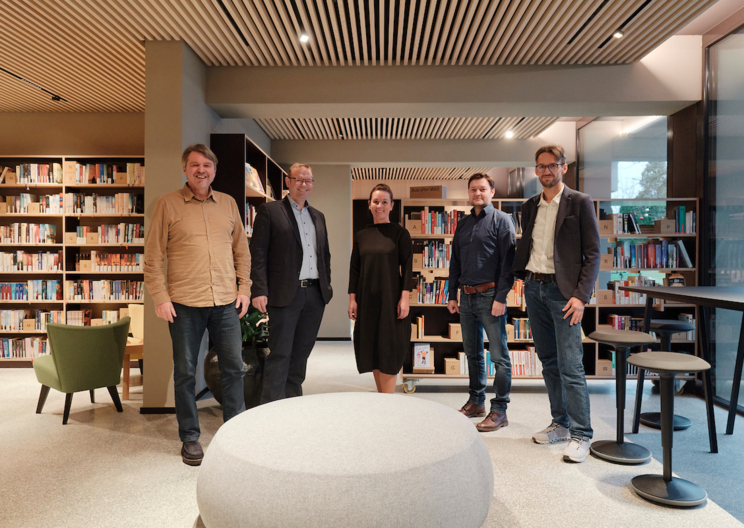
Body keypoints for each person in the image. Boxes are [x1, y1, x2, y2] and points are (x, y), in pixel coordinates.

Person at [144, 144, 251, 466]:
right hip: (184, 304)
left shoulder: (229, 204)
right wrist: (160, 297)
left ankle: (236, 431)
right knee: (185, 374)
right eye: (194, 165)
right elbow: (152, 257)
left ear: (215, 171)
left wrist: (244, 289)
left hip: (225, 302)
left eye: (207, 165)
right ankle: (190, 437)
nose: (201, 170)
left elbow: (242, 252)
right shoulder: (167, 205)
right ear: (185, 169)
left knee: (233, 368)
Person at [513, 144, 600, 463]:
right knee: (548, 360)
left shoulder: (580, 202)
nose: (546, 171)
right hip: (534, 288)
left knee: (570, 364)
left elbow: (593, 254)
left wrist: (581, 296)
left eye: (552, 166)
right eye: (541, 166)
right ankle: (560, 424)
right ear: (535, 170)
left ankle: (582, 433)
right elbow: (528, 245)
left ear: (564, 167)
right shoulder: (530, 205)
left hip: (565, 295)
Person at [250, 163, 332, 404]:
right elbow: (258, 254)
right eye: (299, 179)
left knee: (301, 354)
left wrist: (326, 287)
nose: (303, 184)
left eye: (308, 181)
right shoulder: (270, 211)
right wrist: (259, 289)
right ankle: (271, 408)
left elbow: (324, 255)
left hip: (315, 295)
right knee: (281, 353)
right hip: (285, 294)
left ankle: (293, 403)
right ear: (288, 181)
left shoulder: (319, 216)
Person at [448, 173, 516, 432]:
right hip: (466, 297)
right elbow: (455, 261)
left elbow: (508, 263)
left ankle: (499, 410)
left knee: (499, 357)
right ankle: (476, 401)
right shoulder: (463, 224)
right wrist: (452, 294)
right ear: (469, 192)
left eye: (482, 189)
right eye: (473, 189)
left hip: (490, 297)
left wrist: (501, 298)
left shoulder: (502, 221)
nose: (477, 193)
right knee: (473, 353)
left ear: (492, 192)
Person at [348, 184, 413, 393]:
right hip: (367, 299)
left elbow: (408, 267)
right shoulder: (361, 235)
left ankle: (388, 399)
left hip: (391, 299)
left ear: (392, 205)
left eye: (385, 202)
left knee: (389, 347)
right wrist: (352, 299)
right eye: (376, 201)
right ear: (369, 204)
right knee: (372, 345)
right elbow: (354, 269)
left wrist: (404, 298)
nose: (380, 206)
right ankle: (381, 396)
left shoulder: (400, 234)